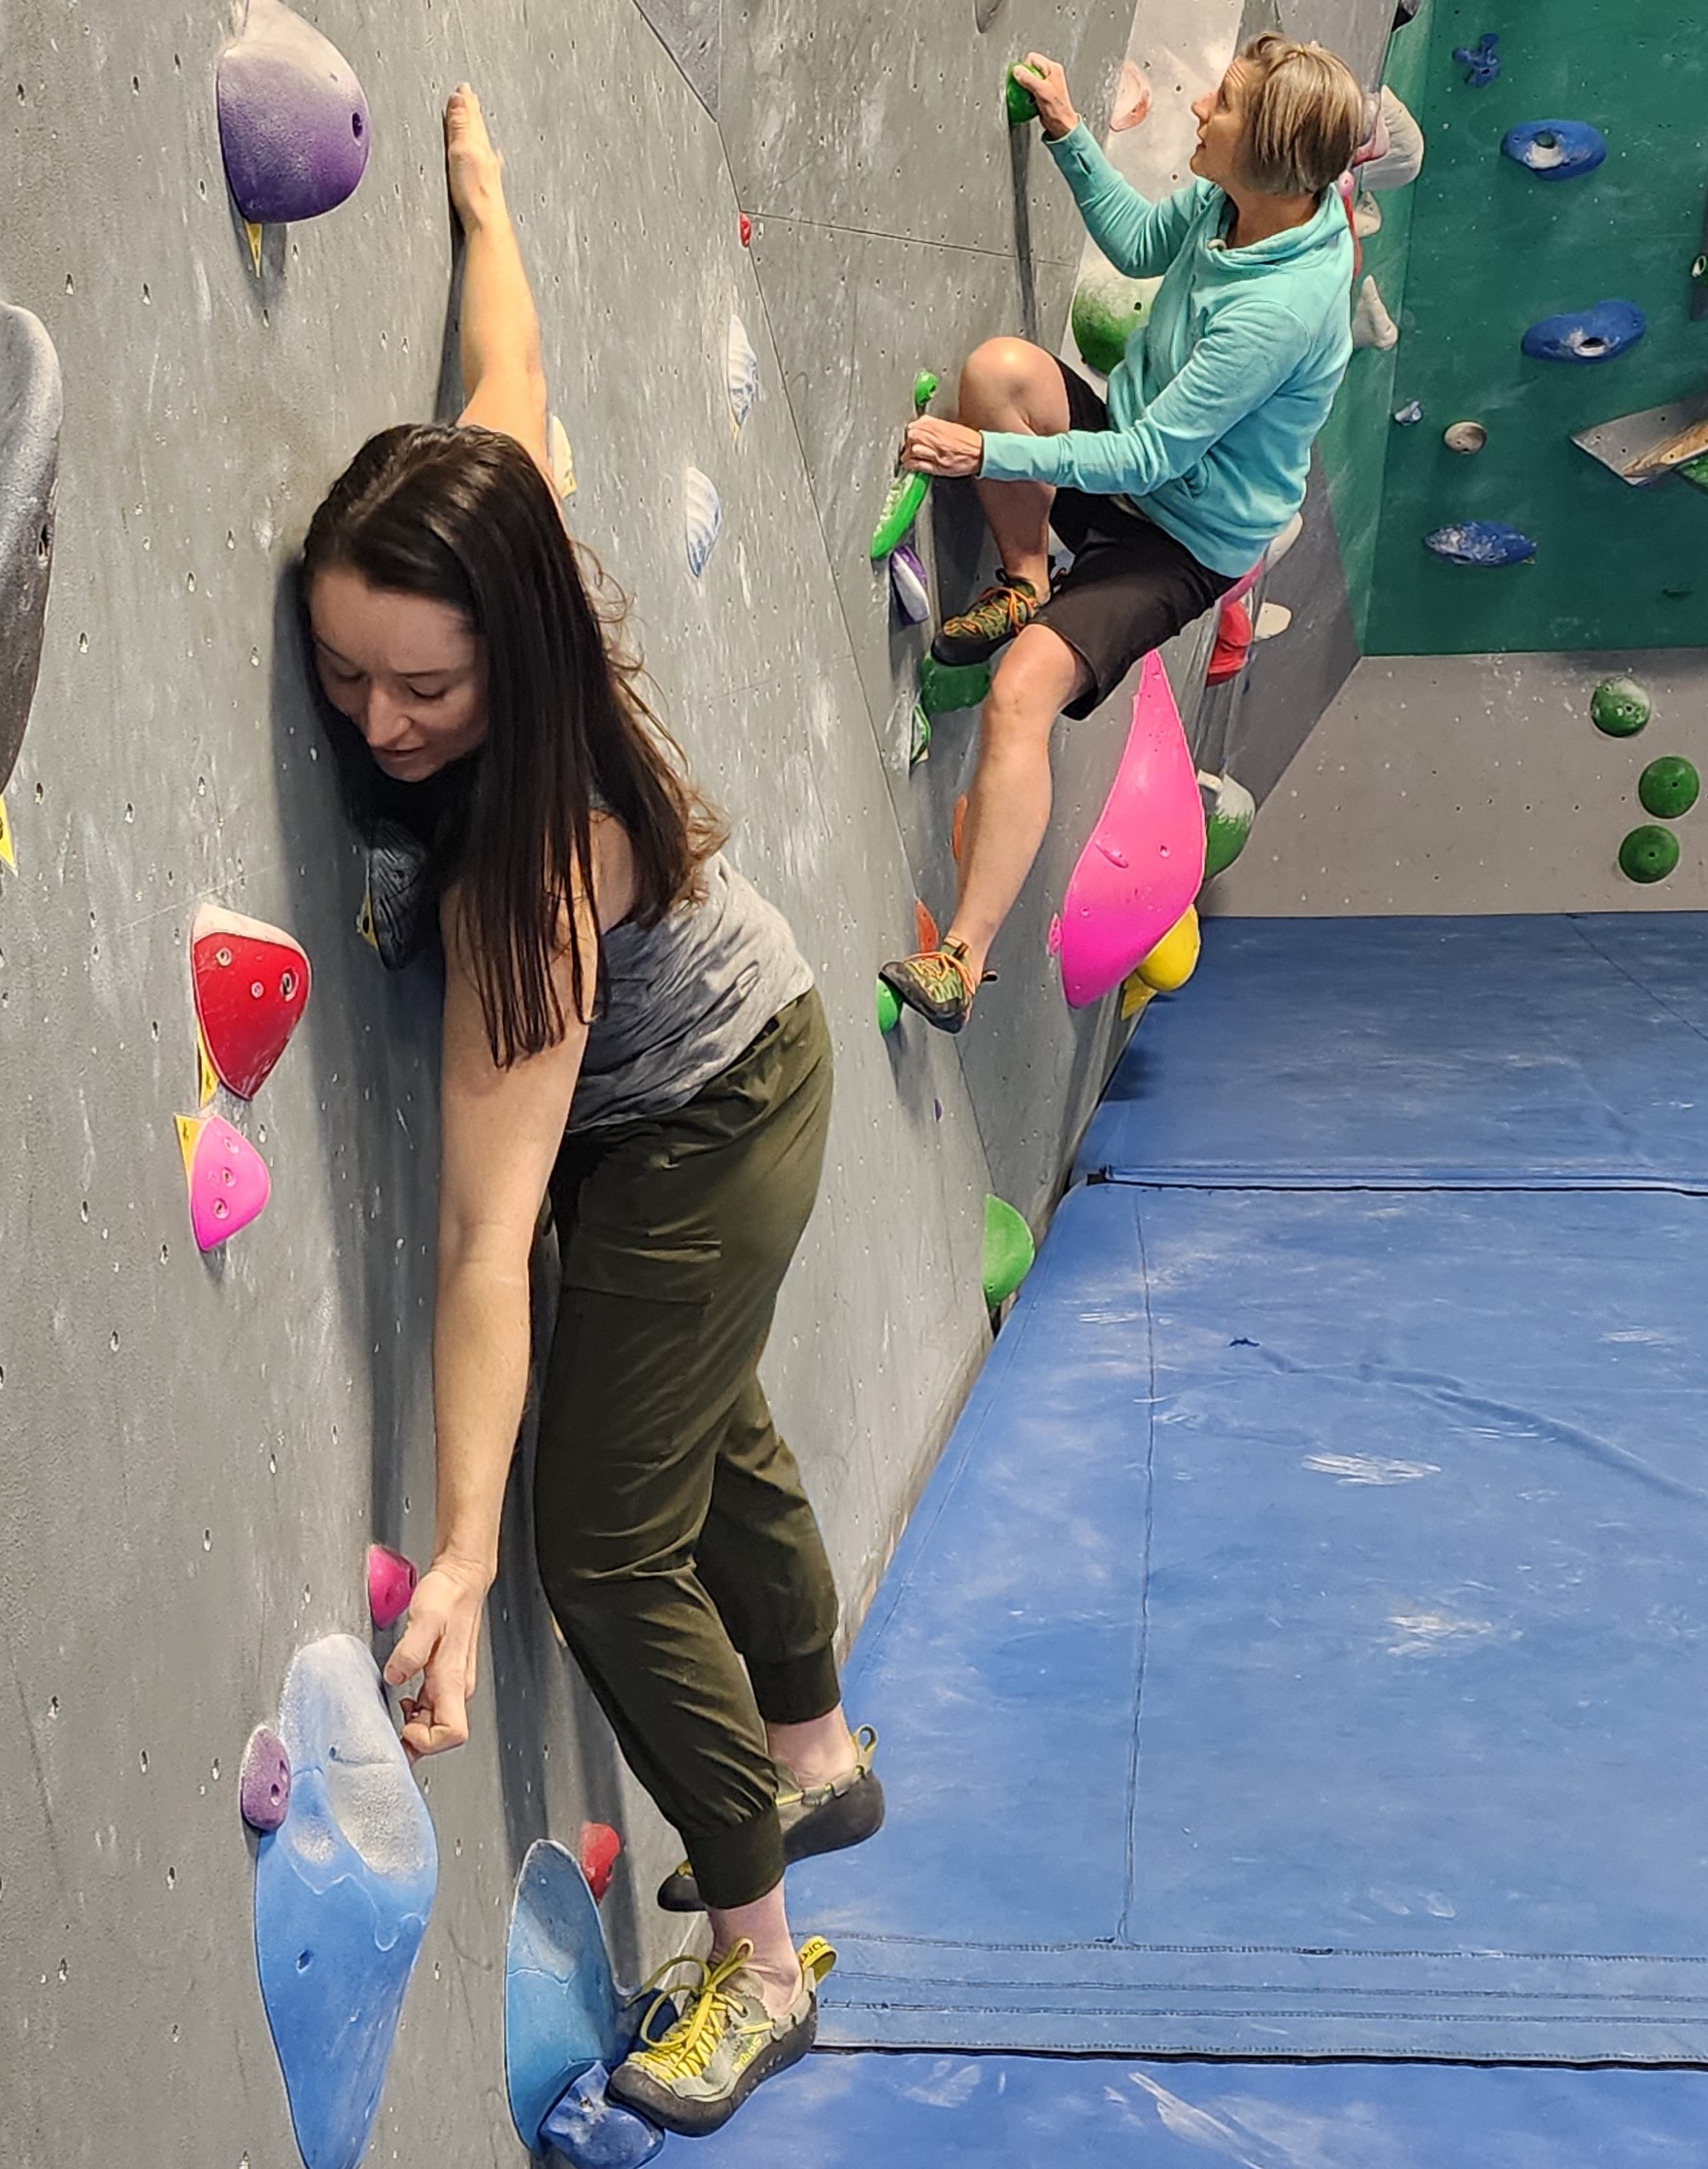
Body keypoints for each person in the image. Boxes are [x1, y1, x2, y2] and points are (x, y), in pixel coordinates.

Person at [299, 86, 883, 2138]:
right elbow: (510, 374)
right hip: (733, 1044)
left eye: (422, 697)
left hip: (710, 1098)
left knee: (605, 1541)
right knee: (701, 1418)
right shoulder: (501, 527)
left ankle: (755, 1956)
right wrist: (481, 198)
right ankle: (814, 1742)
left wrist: (463, 1555)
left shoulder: (524, 889)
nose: (377, 720)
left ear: (512, 664)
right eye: (347, 669)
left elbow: (479, 1237)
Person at [880, 37, 1364, 1032]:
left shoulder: (1277, 310)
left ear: (1267, 157)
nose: (1197, 110)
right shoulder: (1245, 202)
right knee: (1002, 370)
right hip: (1138, 462)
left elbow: (1148, 462)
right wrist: (1065, 130)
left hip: (1179, 539)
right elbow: (1143, 245)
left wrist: (983, 457)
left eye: (1220, 107)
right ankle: (1022, 577)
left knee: (1021, 692)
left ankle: (961, 962)